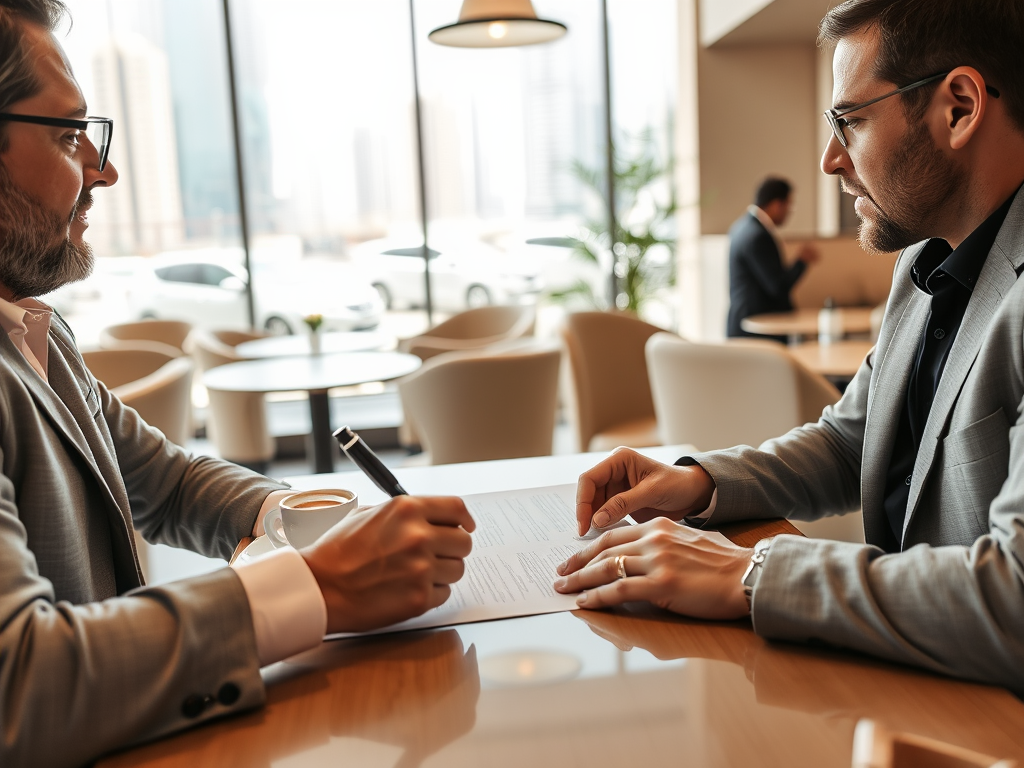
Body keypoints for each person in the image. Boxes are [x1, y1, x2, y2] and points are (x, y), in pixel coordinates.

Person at [0, 2, 475, 765]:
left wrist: (302, 520)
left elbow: (166, 482)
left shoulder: (35, 331)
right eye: (66, 134)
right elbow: (20, 683)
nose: (102, 168)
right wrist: (317, 591)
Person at [555, 0, 1024, 695]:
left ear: (958, 107)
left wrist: (747, 572)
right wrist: (700, 484)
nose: (832, 158)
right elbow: (850, 440)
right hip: (914, 681)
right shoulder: (922, 265)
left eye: (851, 120)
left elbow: (1014, 601)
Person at [726, 176, 820, 340]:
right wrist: (802, 261)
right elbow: (777, 287)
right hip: (757, 331)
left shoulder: (741, 227)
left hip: (744, 324)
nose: (789, 212)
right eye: (789, 206)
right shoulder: (758, 235)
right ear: (777, 204)